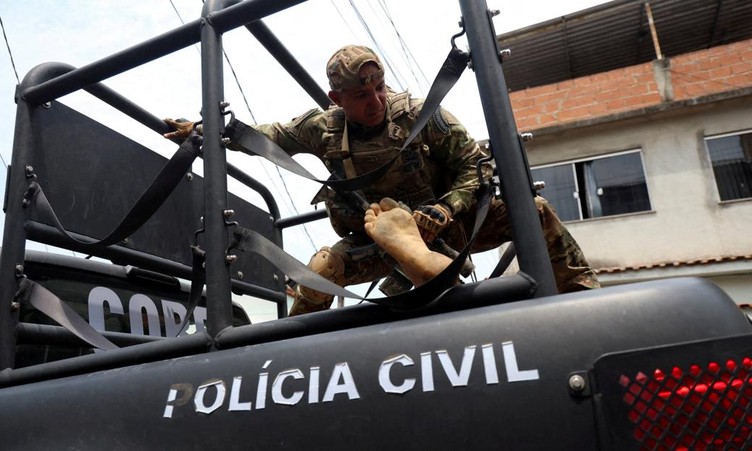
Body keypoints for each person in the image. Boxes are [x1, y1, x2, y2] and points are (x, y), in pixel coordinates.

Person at [165, 44, 599, 316]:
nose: (376, 100)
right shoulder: (324, 129)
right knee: (321, 270)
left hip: (449, 225)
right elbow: (270, 136)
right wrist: (209, 133)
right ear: (337, 99)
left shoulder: (420, 115)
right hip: (380, 243)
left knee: (536, 213)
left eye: (379, 87)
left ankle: (584, 302)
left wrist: (445, 209)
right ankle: (291, 347)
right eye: (361, 94)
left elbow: (476, 167)